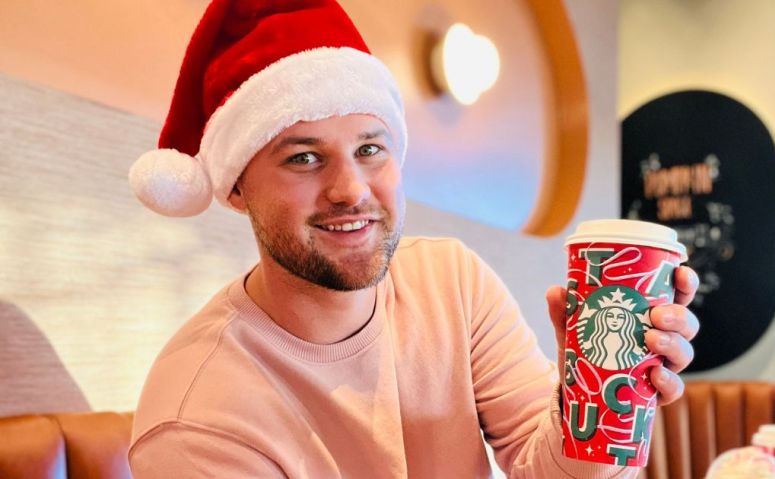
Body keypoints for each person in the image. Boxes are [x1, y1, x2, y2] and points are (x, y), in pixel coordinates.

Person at [126, 1, 700, 477]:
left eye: (370, 149)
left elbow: (541, 466)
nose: (350, 189)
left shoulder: (452, 282)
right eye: (303, 157)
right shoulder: (198, 419)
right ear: (235, 188)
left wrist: (589, 402)